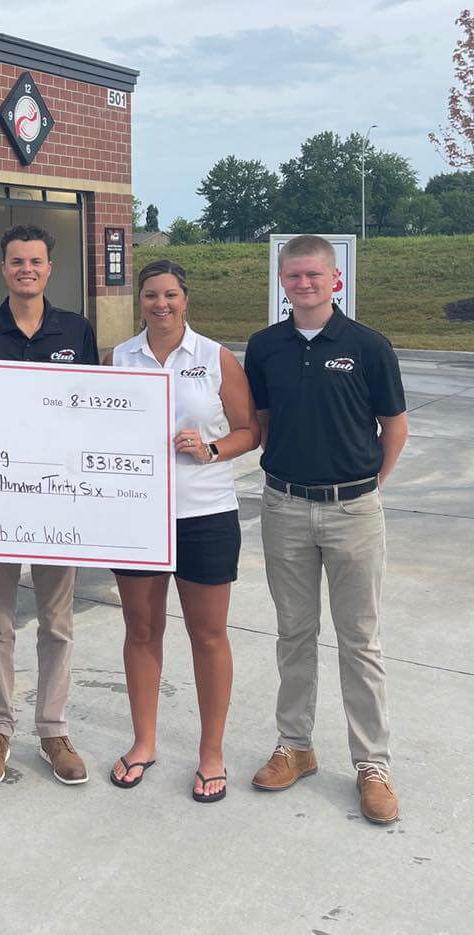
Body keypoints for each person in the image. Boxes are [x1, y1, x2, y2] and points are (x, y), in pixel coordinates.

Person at [245, 234, 408, 825]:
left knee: (359, 641)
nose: (304, 285)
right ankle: (296, 747)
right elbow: (261, 421)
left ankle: (372, 764)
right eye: (294, 277)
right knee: (294, 633)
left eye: (315, 276)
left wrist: (367, 486)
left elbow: (394, 426)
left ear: (334, 280)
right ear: (282, 282)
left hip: (354, 511)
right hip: (285, 508)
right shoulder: (264, 348)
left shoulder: (368, 346)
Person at [106, 260, 260, 801]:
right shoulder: (120, 357)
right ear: (139, 301)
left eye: (170, 295)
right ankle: (144, 741)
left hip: (205, 514)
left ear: (186, 299)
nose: (161, 304)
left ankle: (211, 752)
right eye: (151, 296)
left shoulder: (215, 358)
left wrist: (212, 448)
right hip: (138, 515)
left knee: (209, 634)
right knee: (142, 632)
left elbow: (250, 430)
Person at [0, 223, 99, 788]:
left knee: (57, 623)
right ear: (4, 267)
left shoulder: (77, 330)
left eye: (35, 262)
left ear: (49, 268)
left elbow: (90, 413)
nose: (26, 270)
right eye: (17, 262)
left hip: (57, 499)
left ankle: (54, 729)